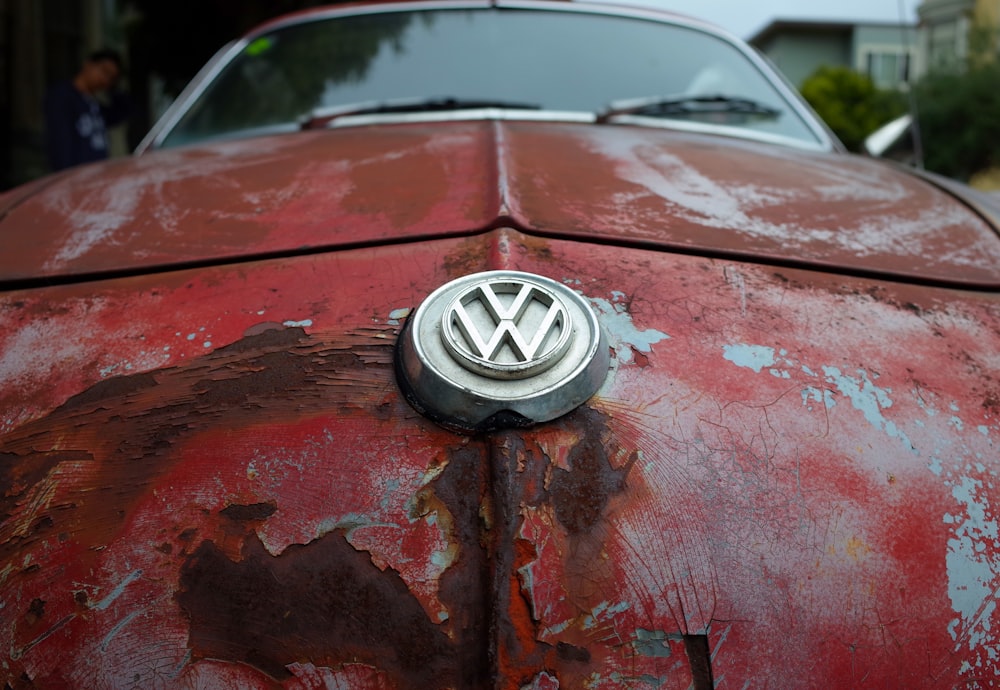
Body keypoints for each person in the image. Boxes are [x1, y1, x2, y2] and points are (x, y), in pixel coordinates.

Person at [44, 49, 130, 172]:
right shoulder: (63, 97)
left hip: (97, 174)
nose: (104, 80)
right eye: (104, 71)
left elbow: (122, 112)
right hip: (76, 177)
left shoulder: (94, 104)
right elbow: (61, 145)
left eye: (111, 78)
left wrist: (115, 88)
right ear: (88, 64)